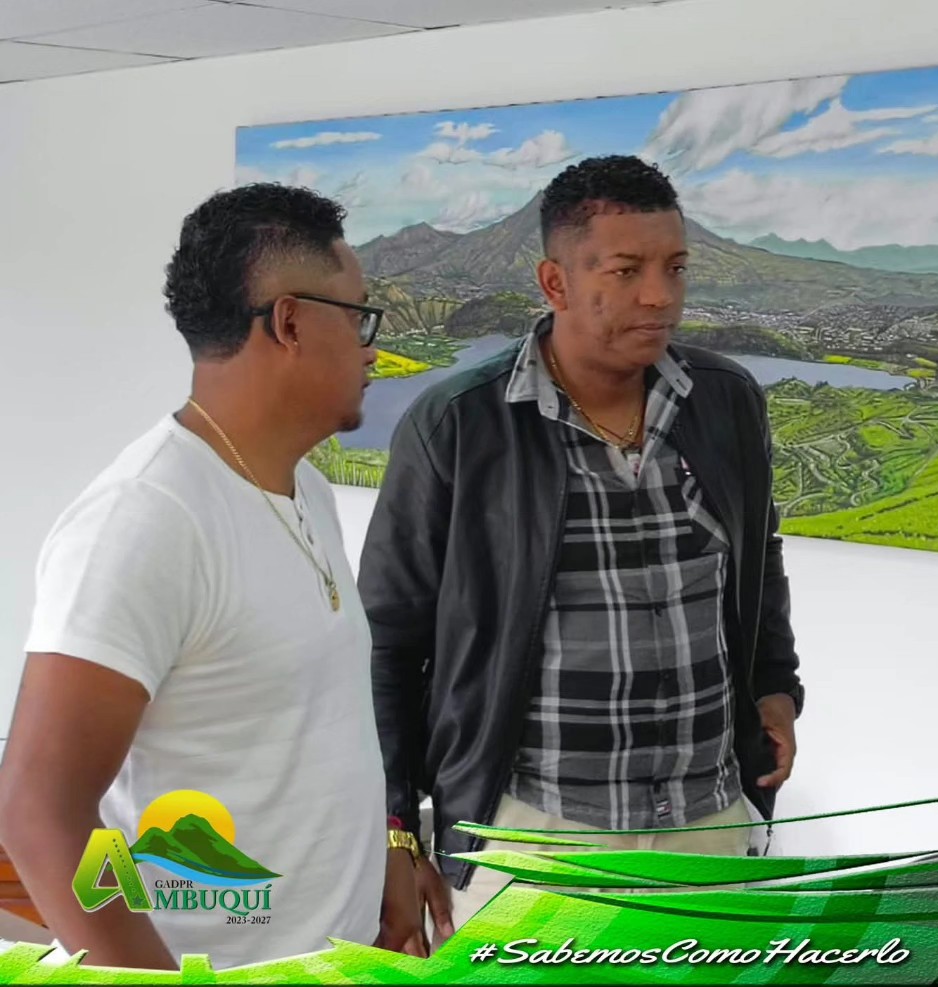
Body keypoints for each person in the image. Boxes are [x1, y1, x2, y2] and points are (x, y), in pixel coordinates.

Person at [360, 155, 805, 944]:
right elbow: (389, 641)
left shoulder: (726, 400)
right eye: (627, 270)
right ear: (555, 283)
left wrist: (775, 684)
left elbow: (756, 557)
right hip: (530, 838)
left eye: (675, 267)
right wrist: (398, 830)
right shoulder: (460, 424)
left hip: (707, 830)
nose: (660, 295)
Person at [0, 184, 425, 969]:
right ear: (290, 322)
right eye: (359, 318)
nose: (371, 349)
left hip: (337, 954)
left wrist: (385, 851)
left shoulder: (307, 490)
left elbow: (312, 723)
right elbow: (39, 811)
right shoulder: (146, 519)